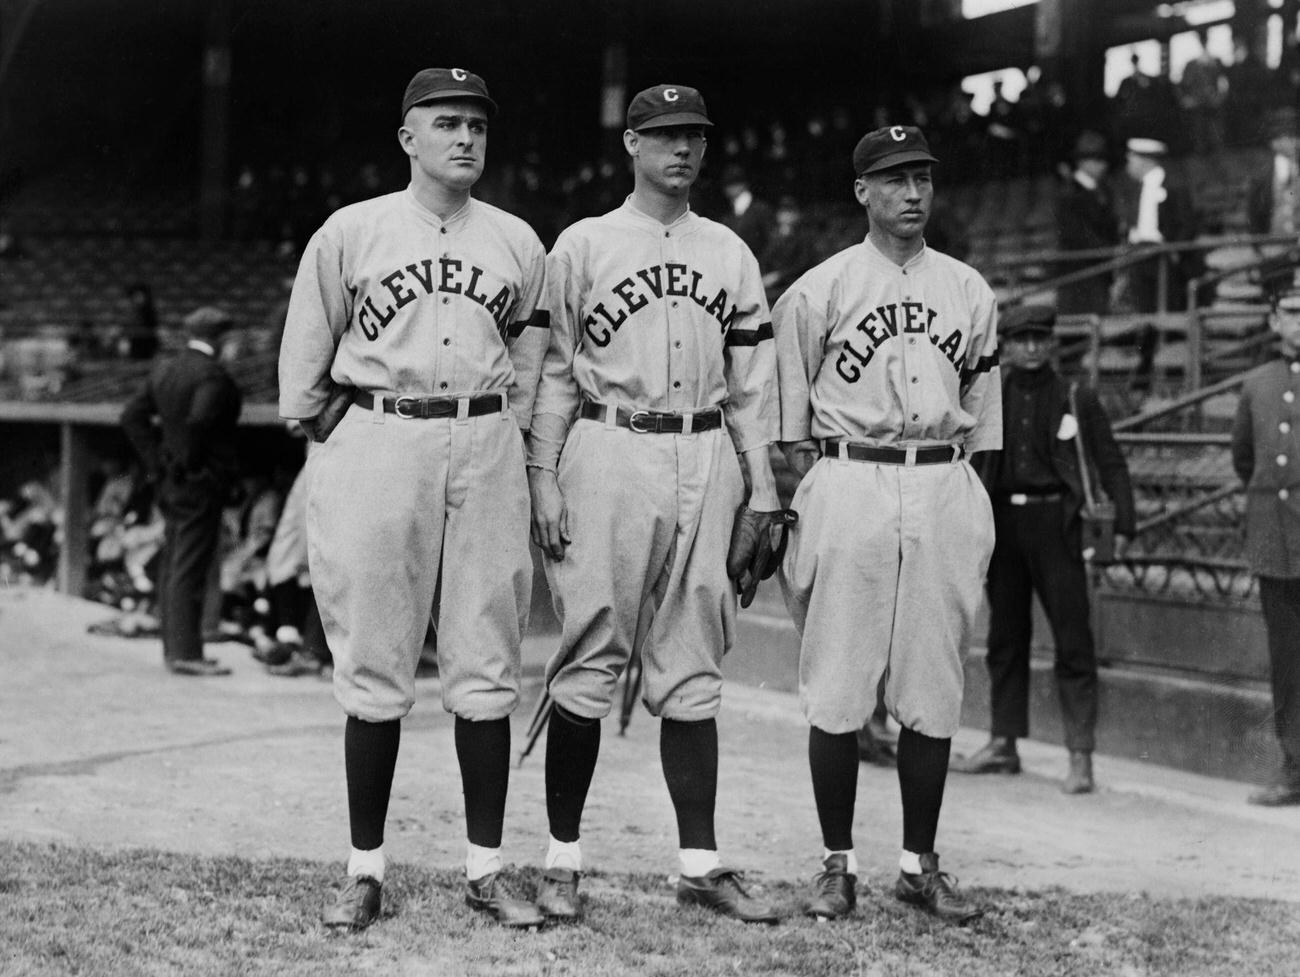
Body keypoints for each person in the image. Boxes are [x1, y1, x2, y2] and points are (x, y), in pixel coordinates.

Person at [277, 67, 550, 931]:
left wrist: (514, 446)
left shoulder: (516, 240)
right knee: (374, 658)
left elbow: (535, 365)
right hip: (379, 429)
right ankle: (364, 870)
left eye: (476, 123)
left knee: (486, 656)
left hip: (485, 437)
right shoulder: (351, 231)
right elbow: (304, 374)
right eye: (446, 123)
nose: (465, 137)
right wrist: (349, 434)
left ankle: (486, 868)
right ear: (408, 138)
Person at [526, 83, 782, 924]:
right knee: (591, 647)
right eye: (666, 134)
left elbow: (752, 391)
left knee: (694, 656)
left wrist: (765, 491)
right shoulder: (584, 243)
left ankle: (700, 865)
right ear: (631, 143)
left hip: (707, 449)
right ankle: (561, 859)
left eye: (695, 136)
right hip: (610, 439)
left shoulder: (731, 252)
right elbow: (556, 374)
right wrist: (544, 472)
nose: (683, 149)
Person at [771, 125, 1001, 925]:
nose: (913, 193)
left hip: (941, 477)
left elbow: (987, 425)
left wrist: (976, 517)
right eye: (895, 179)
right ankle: (837, 864)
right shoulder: (818, 289)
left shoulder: (970, 290)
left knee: (933, 686)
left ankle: (919, 864)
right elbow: (786, 427)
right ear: (862, 191)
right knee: (837, 681)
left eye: (923, 178)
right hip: (850, 474)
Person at [951, 304, 1135, 794]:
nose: (1031, 347)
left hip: (1059, 525)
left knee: (1073, 641)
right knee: (1005, 640)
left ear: (1052, 342)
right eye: (1021, 338)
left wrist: (1124, 524)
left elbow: (1111, 463)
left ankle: (1081, 756)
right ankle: (1003, 743)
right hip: (1005, 524)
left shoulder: (1077, 396)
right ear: (1006, 345)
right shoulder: (993, 396)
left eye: (1040, 338)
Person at [120, 306, 242, 676]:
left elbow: (132, 416)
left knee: (175, 560)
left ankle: (174, 647)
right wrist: (191, 465)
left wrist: (158, 464)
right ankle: (187, 653)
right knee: (190, 565)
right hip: (199, 482)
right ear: (219, 339)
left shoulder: (165, 369)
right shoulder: (213, 376)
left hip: (170, 481)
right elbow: (200, 421)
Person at [1231, 280, 1300, 806]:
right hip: (1276, 541)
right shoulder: (1256, 383)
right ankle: (1294, 766)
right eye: (1293, 312)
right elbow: (1244, 460)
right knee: (1288, 659)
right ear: (1274, 320)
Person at [1118, 137, 1201, 314]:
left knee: (1167, 305)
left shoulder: (1173, 185)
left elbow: (1188, 224)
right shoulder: (1134, 188)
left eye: (1132, 160)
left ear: (1145, 161)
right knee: (1144, 306)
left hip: (1164, 256)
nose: (1129, 165)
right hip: (1139, 254)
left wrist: (1174, 251)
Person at [1055, 131, 1120, 315]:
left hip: (1101, 268)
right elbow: (1077, 233)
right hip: (1080, 271)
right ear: (1083, 162)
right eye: (1097, 160)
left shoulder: (1105, 190)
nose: (1103, 166)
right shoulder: (1069, 193)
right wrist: (1106, 250)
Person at [1247, 109, 1300, 241]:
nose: (1290, 142)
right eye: (1283, 137)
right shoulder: (1260, 177)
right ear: (1273, 142)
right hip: (1274, 246)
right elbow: (1254, 217)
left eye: (1294, 137)